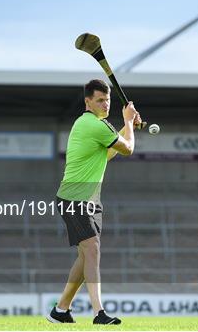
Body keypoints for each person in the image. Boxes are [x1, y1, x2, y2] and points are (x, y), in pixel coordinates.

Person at [48, 79, 140, 325]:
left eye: (107, 99)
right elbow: (128, 149)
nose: (105, 103)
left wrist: (127, 125)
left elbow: (110, 152)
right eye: (100, 99)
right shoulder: (93, 124)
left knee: (85, 256)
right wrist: (129, 123)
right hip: (75, 198)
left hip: (88, 199)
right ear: (87, 101)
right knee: (93, 250)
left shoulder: (99, 127)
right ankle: (99, 312)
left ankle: (61, 310)